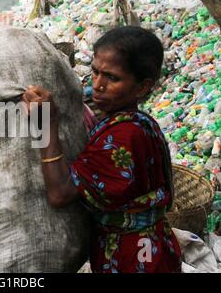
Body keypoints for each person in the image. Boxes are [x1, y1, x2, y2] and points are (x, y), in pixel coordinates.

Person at [22, 26, 182, 273]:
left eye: (112, 78)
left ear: (142, 87)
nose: (98, 85)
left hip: (133, 258)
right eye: (95, 72)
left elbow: (60, 193)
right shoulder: (137, 122)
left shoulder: (124, 135)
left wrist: (46, 126)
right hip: (150, 248)